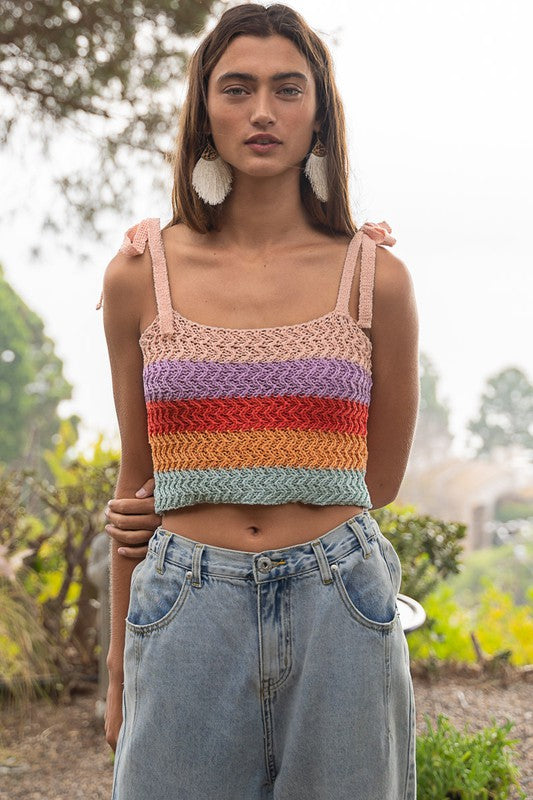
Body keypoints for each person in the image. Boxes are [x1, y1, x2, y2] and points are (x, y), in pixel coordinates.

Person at [97, 3, 419, 798]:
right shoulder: (141, 275)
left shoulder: (377, 279)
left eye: (287, 89)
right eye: (237, 89)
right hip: (183, 609)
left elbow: (375, 483)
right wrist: (115, 668)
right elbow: (137, 492)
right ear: (204, 108)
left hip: (339, 604)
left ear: (319, 113)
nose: (263, 112)